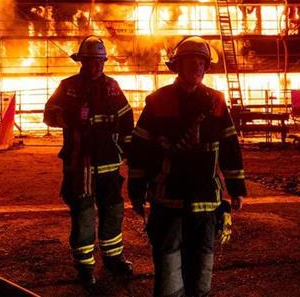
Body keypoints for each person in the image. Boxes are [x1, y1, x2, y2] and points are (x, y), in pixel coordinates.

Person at [127, 36, 246, 297]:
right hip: (168, 202)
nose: (198, 68)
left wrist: (237, 188)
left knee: (202, 270)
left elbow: (229, 145)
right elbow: (140, 149)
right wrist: (136, 190)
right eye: (191, 62)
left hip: (206, 203)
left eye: (202, 63)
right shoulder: (158, 101)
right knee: (169, 274)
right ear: (178, 66)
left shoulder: (216, 102)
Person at [43, 35, 134, 288]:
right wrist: (68, 117)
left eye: (99, 61)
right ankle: (85, 266)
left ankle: (113, 258)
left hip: (108, 163)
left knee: (113, 210)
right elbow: (49, 113)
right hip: (79, 164)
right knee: (83, 214)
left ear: (104, 62)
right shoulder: (68, 86)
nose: (95, 66)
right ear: (81, 61)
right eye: (90, 61)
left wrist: (129, 149)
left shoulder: (112, 87)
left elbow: (126, 117)